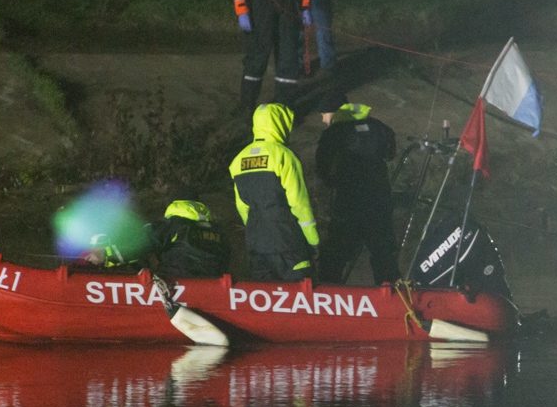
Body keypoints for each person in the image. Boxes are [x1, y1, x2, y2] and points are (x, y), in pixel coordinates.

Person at [229, 103, 319, 281]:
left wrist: (257, 230)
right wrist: (313, 240)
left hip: (256, 241)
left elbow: (242, 206)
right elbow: (299, 204)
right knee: (297, 301)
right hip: (288, 240)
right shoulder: (284, 156)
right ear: (280, 124)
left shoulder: (238, 160)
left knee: (264, 301)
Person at [315, 102, 399, 284]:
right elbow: (391, 153)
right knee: (383, 250)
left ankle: (329, 292)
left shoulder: (335, 132)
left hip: (348, 200)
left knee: (336, 251)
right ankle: (391, 294)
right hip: (379, 199)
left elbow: (322, 166)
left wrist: (332, 181)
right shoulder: (379, 127)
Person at [144, 198, 231, 278]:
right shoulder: (219, 231)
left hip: (174, 283)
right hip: (213, 287)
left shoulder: (173, 224)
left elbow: (138, 243)